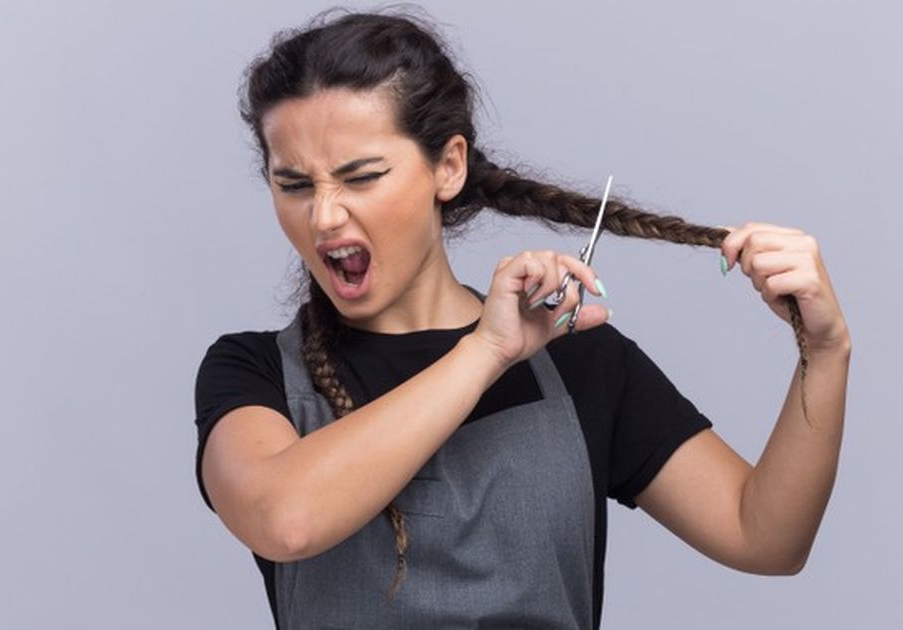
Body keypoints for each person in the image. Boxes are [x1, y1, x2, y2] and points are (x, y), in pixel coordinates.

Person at [193, 9, 851, 629]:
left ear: (448, 166)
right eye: (294, 185)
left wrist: (824, 355)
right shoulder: (254, 372)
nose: (324, 216)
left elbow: (764, 536)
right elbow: (286, 520)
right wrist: (486, 353)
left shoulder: (579, 358)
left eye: (360, 177)